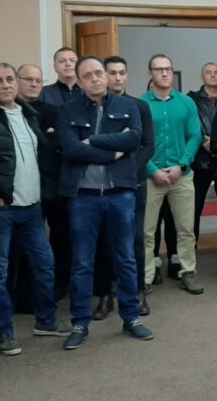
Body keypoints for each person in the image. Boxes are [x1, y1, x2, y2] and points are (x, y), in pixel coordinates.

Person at [56, 56, 151, 350]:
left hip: (120, 193)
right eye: (88, 75)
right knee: (83, 262)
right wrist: (112, 150)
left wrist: (93, 141)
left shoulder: (128, 106)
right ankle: (80, 323)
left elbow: (134, 140)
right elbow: (71, 149)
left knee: (126, 258)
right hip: (83, 196)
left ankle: (131, 317)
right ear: (80, 81)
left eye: (99, 73)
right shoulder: (66, 110)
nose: (96, 78)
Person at [0, 62, 71, 357]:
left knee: (45, 264)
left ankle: (46, 320)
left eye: (9, 79)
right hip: (0, 209)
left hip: (32, 207)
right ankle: (4, 332)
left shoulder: (28, 114)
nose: (5, 84)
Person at [94, 56, 155, 315]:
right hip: (102, 184)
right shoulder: (96, 107)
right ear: (104, 76)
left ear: (127, 76)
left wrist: (129, 170)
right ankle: (106, 294)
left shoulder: (139, 106)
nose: (117, 77)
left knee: (136, 239)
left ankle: (139, 293)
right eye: (112, 73)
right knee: (105, 240)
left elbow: (148, 146)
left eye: (122, 72)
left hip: (134, 183)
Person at [140, 54, 204, 294]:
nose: (164, 73)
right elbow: (137, 141)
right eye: (159, 69)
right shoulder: (141, 104)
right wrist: (153, 170)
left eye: (168, 68)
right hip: (151, 177)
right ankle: (146, 277)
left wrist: (181, 165)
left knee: (186, 230)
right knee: (147, 232)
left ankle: (187, 273)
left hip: (182, 176)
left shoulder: (186, 103)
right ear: (150, 74)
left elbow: (195, 136)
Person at [16, 63, 69, 300]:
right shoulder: (10, 110)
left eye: (38, 80)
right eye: (28, 79)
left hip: (52, 187)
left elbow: (58, 144)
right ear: (17, 81)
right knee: (25, 244)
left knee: (60, 239)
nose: (34, 84)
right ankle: (25, 293)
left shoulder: (53, 111)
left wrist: (49, 138)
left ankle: (59, 287)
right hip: (21, 189)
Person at [187, 62, 217, 262]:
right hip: (199, 161)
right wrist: (203, 140)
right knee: (194, 208)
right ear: (202, 76)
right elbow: (189, 124)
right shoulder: (191, 99)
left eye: (216, 72)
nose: (213, 75)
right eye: (209, 72)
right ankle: (191, 250)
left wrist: (216, 142)